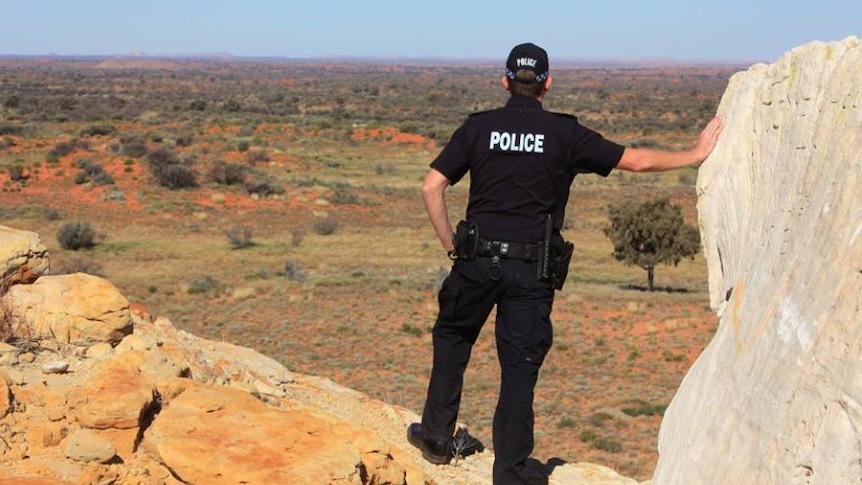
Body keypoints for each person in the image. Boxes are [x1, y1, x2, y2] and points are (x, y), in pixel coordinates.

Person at [407, 42, 723, 485]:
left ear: (504, 82)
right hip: (530, 272)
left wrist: (452, 247)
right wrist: (693, 155)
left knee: (453, 340)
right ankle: (511, 475)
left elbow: (430, 187)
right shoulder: (564, 134)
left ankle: (437, 439)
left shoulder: (478, 128)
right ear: (547, 84)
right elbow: (634, 160)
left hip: (475, 262)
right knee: (518, 371)